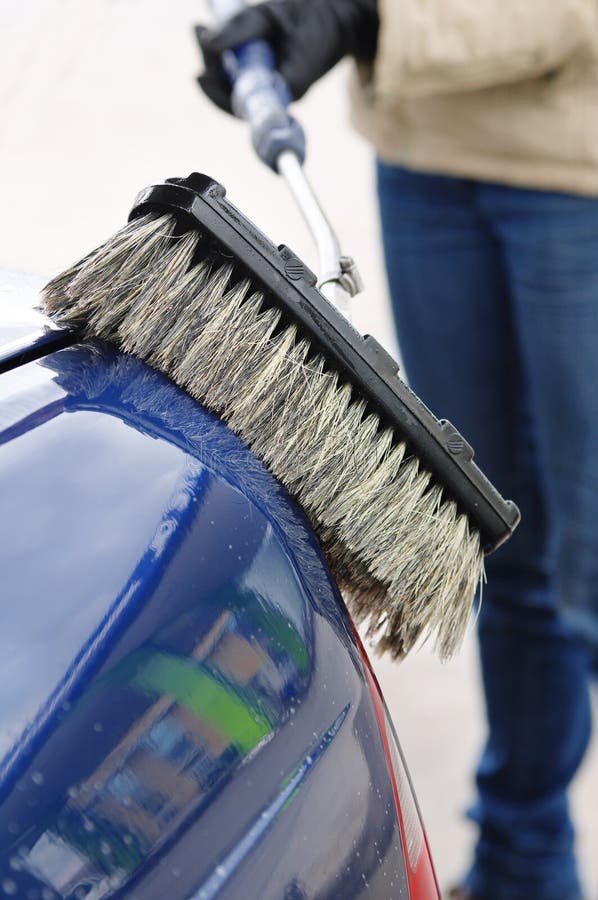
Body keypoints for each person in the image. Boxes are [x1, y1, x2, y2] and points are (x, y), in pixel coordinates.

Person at [196, 3, 598, 898]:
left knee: (593, 566)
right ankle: (524, 863)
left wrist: (374, 16)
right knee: (500, 548)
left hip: (579, 170)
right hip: (424, 157)